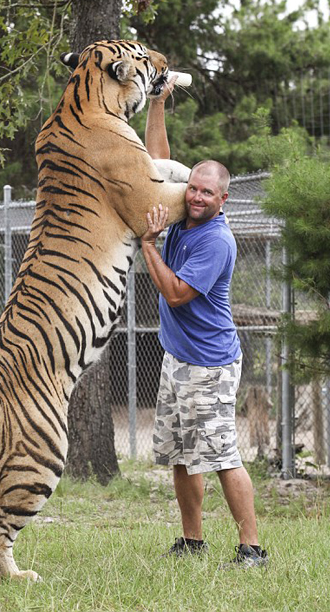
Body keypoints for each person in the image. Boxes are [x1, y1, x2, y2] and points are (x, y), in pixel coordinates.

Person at [141, 77, 268, 568]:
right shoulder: (182, 212)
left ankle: (251, 548)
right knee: (180, 453)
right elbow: (156, 164)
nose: (195, 196)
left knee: (220, 457)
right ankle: (192, 540)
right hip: (178, 360)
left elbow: (175, 295)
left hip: (210, 366)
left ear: (223, 199)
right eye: (192, 187)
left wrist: (149, 244)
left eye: (206, 192)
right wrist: (158, 103)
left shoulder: (215, 240)